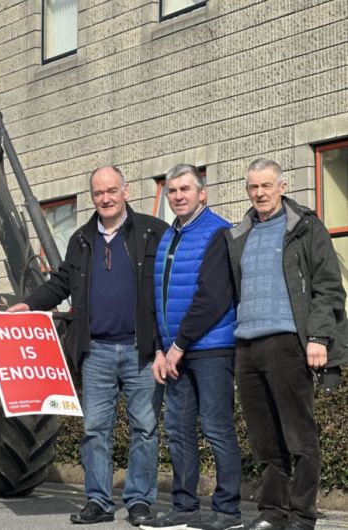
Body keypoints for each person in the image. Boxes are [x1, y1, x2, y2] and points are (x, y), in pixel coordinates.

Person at [8, 166, 168, 527]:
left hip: (142, 349)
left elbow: (167, 286)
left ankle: (140, 501)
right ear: (92, 197)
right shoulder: (81, 239)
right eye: (98, 193)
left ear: (125, 191)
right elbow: (62, 281)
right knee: (96, 429)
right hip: (95, 351)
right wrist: (30, 304)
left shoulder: (151, 231)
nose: (106, 199)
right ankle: (98, 500)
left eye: (112, 191)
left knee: (145, 428)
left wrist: (166, 344)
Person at [225, 159, 346, 530]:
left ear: (282, 185)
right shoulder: (239, 234)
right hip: (247, 346)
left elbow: (328, 287)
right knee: (264, 438)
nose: (259, 193)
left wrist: (317, 337)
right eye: (252, 187)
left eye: (266, 186)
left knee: (299, 435)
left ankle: (302, 516)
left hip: (288, 344)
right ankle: (272, 513)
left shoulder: (305, 227)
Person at [141, 164, 242, 530]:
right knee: (179, 430)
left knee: (217, 428)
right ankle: (184, 508)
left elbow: (213, 297)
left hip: (210, 349)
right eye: (172, 191)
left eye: (185, 189)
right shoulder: (169, 236)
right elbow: (157, 296)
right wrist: (158, 349)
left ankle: (227, 510)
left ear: (203, 193)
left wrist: (178, 346)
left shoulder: (218, 232)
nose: (178, 196)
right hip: (173, 353)